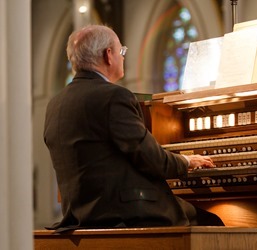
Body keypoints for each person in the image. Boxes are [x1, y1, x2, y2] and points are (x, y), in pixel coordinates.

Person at [44, 24, 224, 231]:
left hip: (79, 213)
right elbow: (151, 158)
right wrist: (187, 161)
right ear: (108, 55)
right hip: (125, 213)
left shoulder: (55, 104)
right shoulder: (113, 96)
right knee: (214, 224)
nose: (123, 57)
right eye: (121, 51)